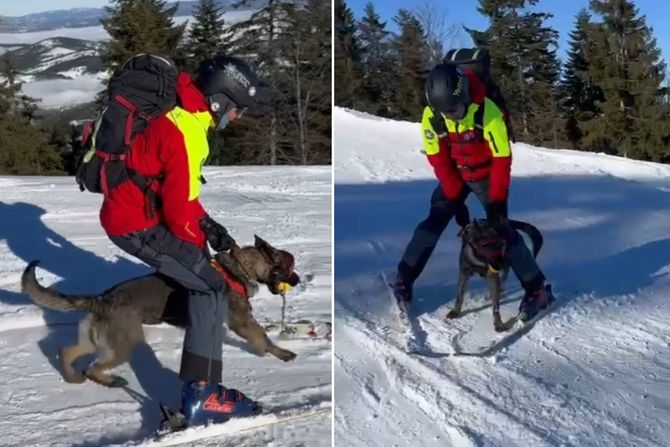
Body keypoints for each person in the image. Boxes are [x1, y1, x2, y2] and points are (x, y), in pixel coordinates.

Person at [99, 56, 275, 425]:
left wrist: (207, 224)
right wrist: (201, 251)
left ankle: (200, 380)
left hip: (133, 213)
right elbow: (179, 215)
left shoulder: (183, 113)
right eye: (237, 109)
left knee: (200, 280)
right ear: (219, 101)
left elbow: (179, 191)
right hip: (135, 223)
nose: (237, 117)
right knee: (210, 287)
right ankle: (204, 394)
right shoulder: (188, 133)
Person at [392, 62, 554, 322]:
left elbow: (502, 158)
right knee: (432, 223)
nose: (450, 116)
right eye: (444, 111)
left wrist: (497, 203)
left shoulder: (488, 112)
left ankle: (537, 290)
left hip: (488, 175)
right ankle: (404, 278)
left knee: (502, 230)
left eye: (454, 110)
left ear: (464, 94)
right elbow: (439, 161)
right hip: (455, 174)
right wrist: (456, 201)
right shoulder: (432, 116)